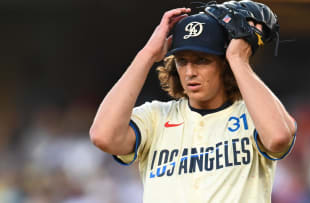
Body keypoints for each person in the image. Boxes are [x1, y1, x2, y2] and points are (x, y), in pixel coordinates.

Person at [90, 6, 297, 203]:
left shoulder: (254, 113)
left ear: (224, 64)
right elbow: (103, 136)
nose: (189, 72)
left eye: (202, 60)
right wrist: (147, 55)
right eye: (182, 61)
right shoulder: (155, 117)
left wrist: (238, 60)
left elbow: (278, 138)